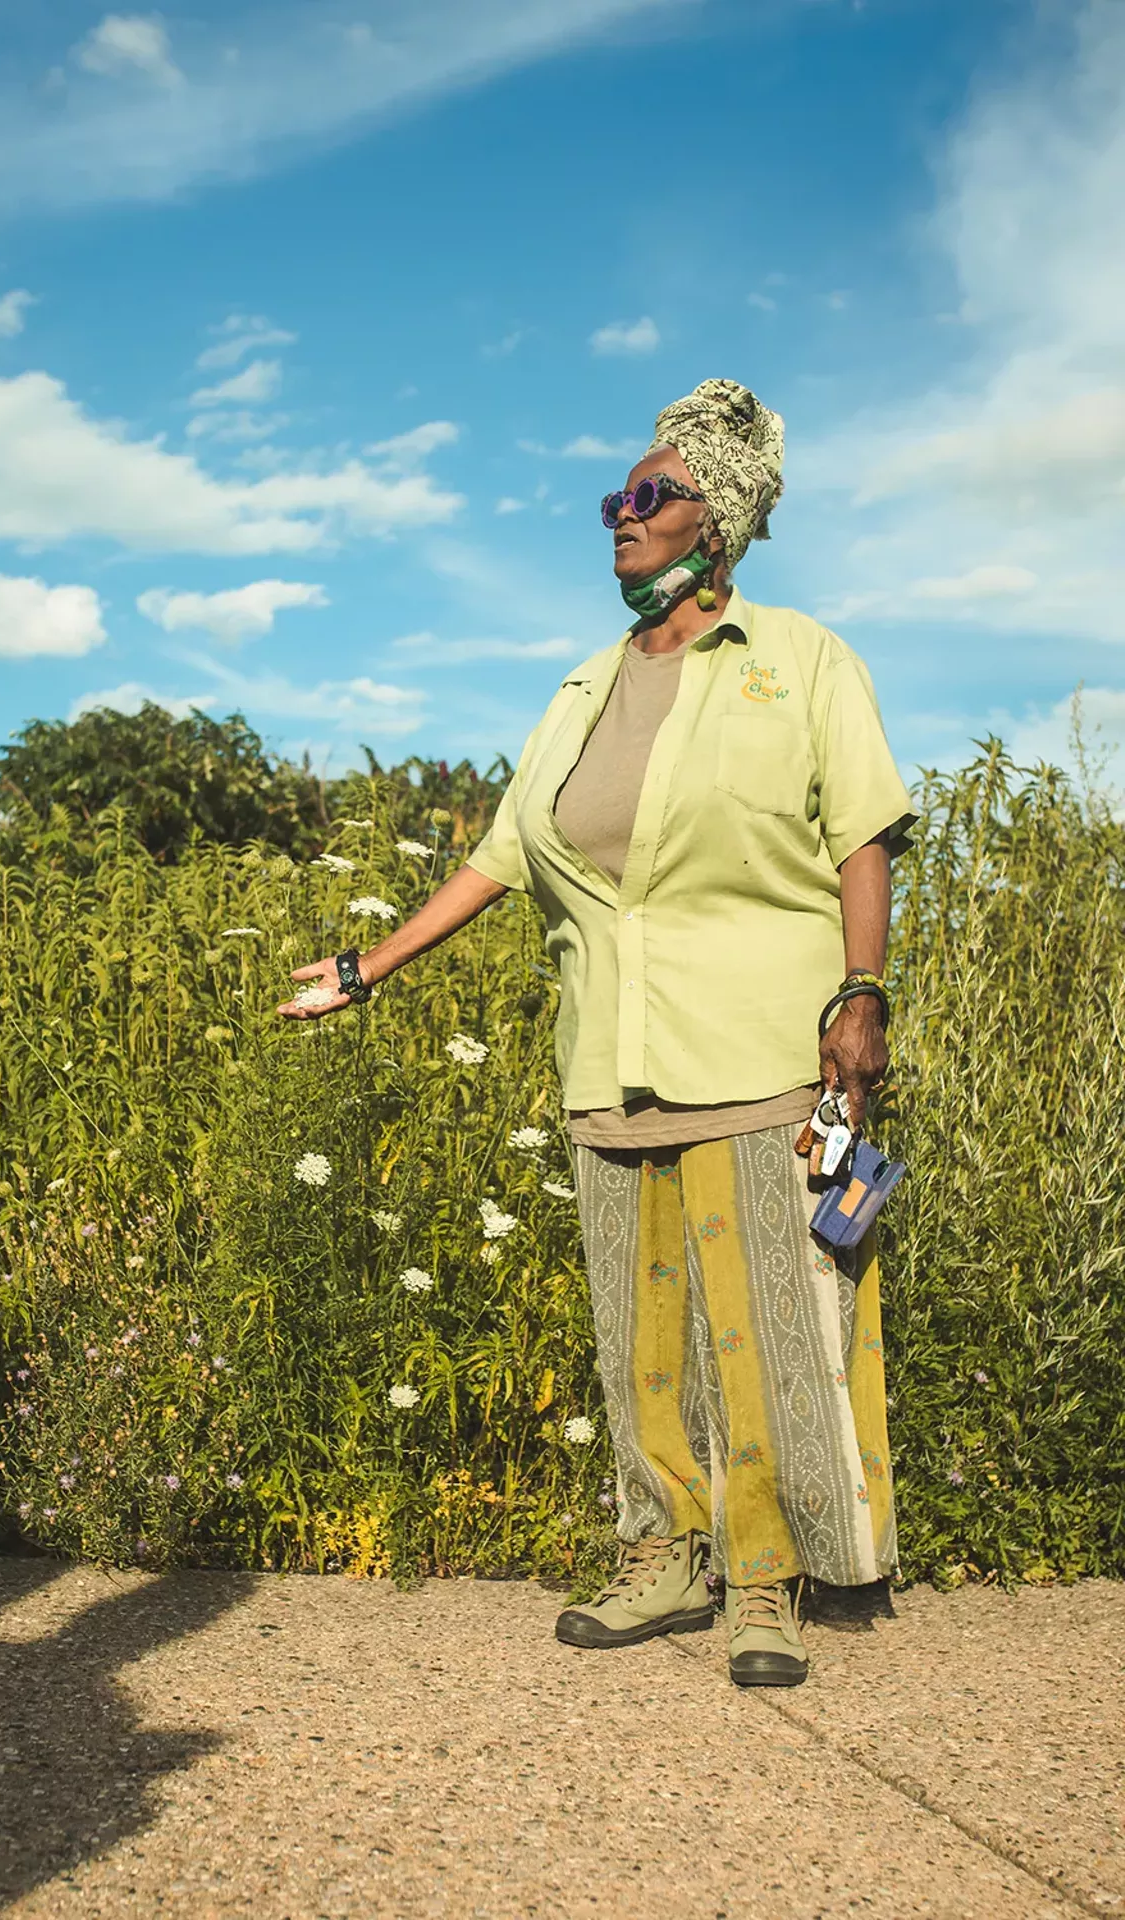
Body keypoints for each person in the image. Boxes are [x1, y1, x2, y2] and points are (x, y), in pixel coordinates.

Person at [278, 378, 915, 1688]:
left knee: (764, 1333)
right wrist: (367, 965)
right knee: (642, 1333)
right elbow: (504, 854)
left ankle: (763, 1578)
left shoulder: (797, 659)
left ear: (716, 524)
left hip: (755, 1057)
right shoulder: (581, 686)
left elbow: (863, 832)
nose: (620, 518)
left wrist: (864, 990)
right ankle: (659, 1552)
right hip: (608, 1063)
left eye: (650, 496)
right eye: (615, 500)